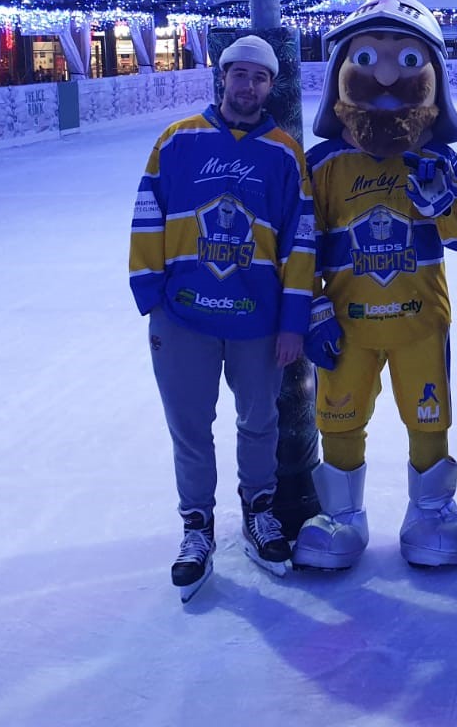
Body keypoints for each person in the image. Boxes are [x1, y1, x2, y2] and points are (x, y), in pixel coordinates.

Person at [295, 0, 457, 571]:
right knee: (339, 416)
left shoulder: (441, 161)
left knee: (430, 416)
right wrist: (313, 309)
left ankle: (431, 510)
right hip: (347, 323)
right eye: (369, 58)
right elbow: (301, 241)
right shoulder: (322, 163)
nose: (384, 76)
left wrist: (439, 203)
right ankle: (342, 515)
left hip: (421, 320)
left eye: (407, 61)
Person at [128, 36, 315, 597]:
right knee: (189, 428)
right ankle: (197, 526)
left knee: (259, 422)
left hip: (258, 320)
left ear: (270, 86)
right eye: (240, 74)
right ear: (223, 76)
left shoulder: (283, 152)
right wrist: (152, 295)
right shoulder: (177, 140)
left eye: (260, 78)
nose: (249, 86)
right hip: (183, 318)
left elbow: (301, 239)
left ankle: (259, 512)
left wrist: (292, 321)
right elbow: (147, 214)